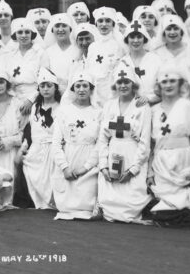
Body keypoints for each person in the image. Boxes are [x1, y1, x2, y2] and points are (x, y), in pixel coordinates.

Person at [148, 66, 190, 226]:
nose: (168, 85)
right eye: (164, 82)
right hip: (161, 163)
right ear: (159, 85)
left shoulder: (188, 106)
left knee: (185, 203)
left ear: (179, 84)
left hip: (183, 160)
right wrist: (150, 172)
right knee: (161, 207)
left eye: (172, 81)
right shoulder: (153, 110)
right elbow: (151, 146)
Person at [97, 64, 152, 223]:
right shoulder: (109, 105)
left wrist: (134, 169)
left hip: (132, 152)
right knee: (110, 192)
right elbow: (102, 138)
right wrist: (103, 165)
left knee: (131, 196)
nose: (123, 85)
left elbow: (145, 140)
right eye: (120, 82)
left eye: (126, 82)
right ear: (115, 85)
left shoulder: (142, 106)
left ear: (133, 84)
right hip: (113, 150)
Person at [51, 71, 101, 220]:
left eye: (85, 85)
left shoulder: (98, 112)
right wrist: (65, 167)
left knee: (86, 205)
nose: (81, 89)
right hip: (69, 157)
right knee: (66, 205)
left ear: (91, 89)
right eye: (77, 86)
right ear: (72, 89)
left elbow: (100, 143)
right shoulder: (64, 111)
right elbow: (56, 143)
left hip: (89, 161)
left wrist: (85, 167)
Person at [22, 68, 61, 209]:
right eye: (42, 86)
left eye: (49, 86)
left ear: (55, 88)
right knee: (31, 170)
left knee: (51, 178)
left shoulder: (61, 107)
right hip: (37, 148)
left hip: (52, 147)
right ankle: (38, 202)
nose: (45, 89)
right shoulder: (35, 108)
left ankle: (52, 202)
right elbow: (30, 129)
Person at [87, 6, 126, 107]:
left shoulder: (119, 45)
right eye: (100, 21)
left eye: (107, 21)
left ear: (113, 24)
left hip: (112, 91)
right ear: (96, 24)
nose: (104, 24)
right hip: (95, 93)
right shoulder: (92, 46)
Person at [4, 17, 43, 114]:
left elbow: (44, 80)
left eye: (27, 32)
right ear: (15, 35)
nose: (24, 35)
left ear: (32, 34)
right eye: (20, 32)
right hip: (14, 98)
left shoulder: (40, 53)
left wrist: (31, 100)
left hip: (36, 97)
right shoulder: (10, 55)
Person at [120, 20, 161, 106]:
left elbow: (163, 89)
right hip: (131, 109)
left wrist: (149, 99)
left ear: (144, 39)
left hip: (155, 106)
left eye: (139, 37)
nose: (136, 40)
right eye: (132, 37)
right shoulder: (122, 62)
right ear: (127, 40)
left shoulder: (156, 59)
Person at [40, 13, 79, 93]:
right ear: (52, 30)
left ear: (70, 29)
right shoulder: (48, 52)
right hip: (54, 94)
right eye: (57, 26)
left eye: (64, 26)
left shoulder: (78, 50)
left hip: (75, 92)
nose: (60, 30)